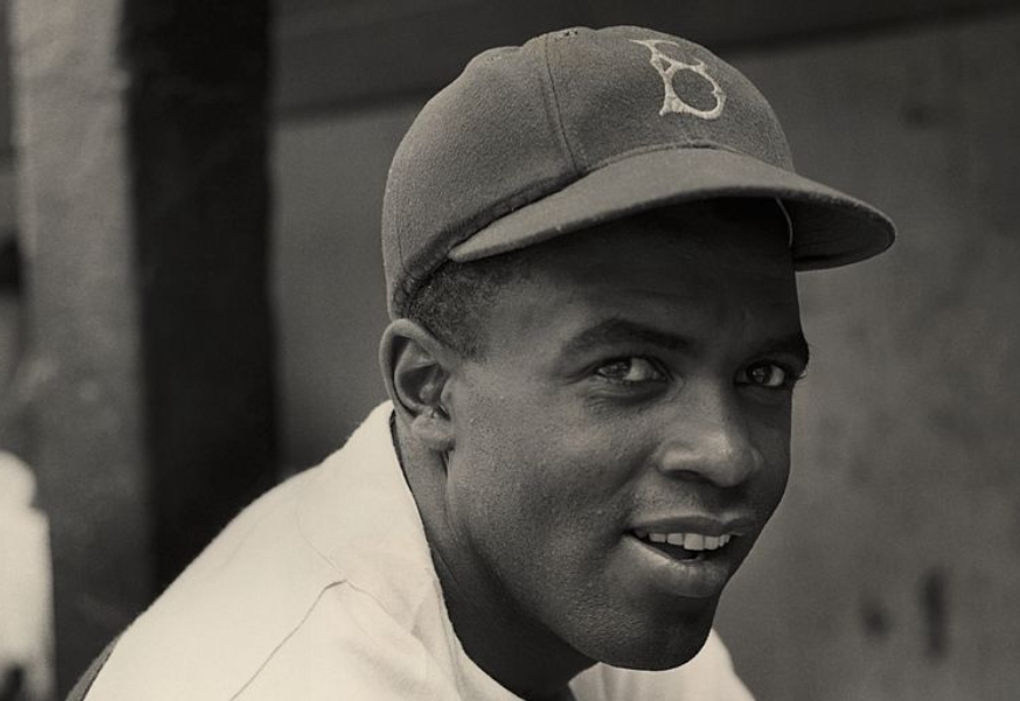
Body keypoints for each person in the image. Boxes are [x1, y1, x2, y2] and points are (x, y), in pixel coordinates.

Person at [76, 25, 893, 701]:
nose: (726, 453)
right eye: (628, 369)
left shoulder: (576, 577)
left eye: (763, 375)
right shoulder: (291, 675)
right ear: (427, 389)